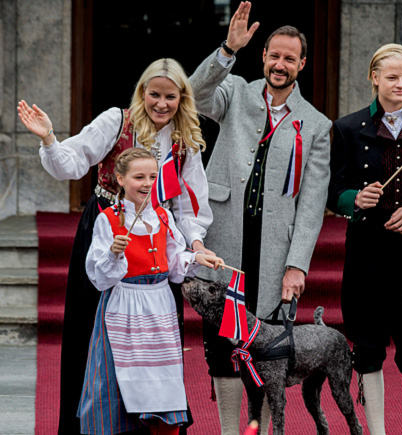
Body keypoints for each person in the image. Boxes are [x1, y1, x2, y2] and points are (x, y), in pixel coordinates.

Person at [17, 58, 213, 434]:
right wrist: (49, 138)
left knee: (155, 341)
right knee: (93, 331)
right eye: (154, 94)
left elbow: (191, 204)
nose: (161, 104)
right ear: (142, 92)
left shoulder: (185, 139)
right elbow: (72, 162)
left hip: (157, 237)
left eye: (170, 96)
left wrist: (196, 244)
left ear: (181, 98)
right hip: (108, 230)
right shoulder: (116, 121)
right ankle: (96, 422)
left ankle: (155, 424)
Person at [188, 2, 331, 433]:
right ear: (263, 56)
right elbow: (193, 93)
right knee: (222, 347)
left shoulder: (316, 124)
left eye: (290, 58)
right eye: (274, 55)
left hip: (274, 253)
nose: (280, 64)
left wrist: (297, 265)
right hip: (225, 238)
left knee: (267, 352)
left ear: (302, 64)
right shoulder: (235, 92)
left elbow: (312, 203)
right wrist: (227, 50)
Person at [327, 44, 402, 434]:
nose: (401, 85)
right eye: (393, 77)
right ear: (374, 77)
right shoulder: (348, 128)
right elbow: (334, 190)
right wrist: (355, 199)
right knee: (367, 347)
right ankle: (377, 431)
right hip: (366, 253)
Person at [80, 148, 223, 434]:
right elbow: (99, 277)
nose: (147, 183)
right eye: (139, 177)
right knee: (118, 377)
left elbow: (174, 262)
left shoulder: (163, 216)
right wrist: (113, 254)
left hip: (159, 305)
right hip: (124, 305)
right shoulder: (108, 220)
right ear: (120, 179)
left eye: (152, 177)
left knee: (161, 380)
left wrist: (196, 257)